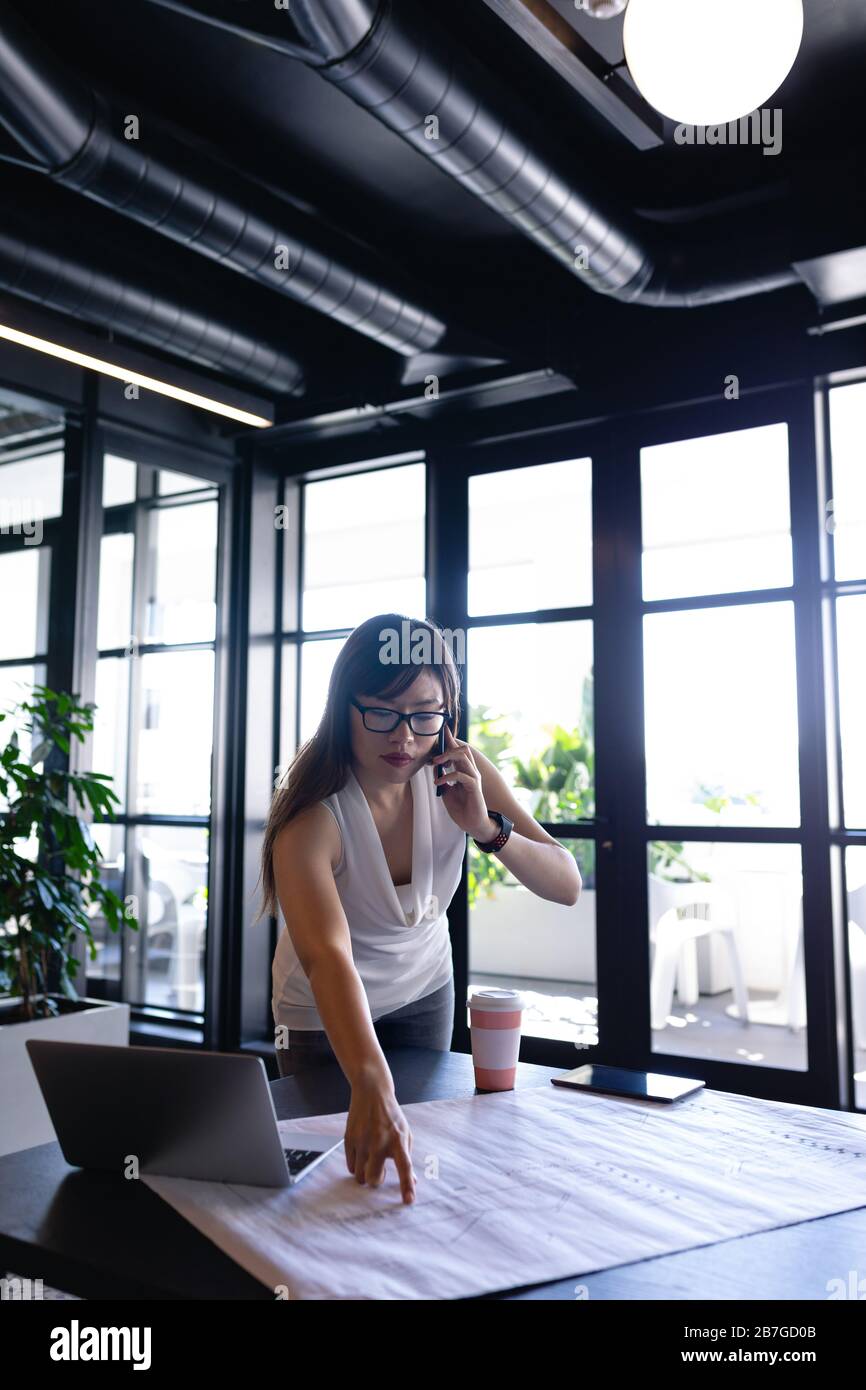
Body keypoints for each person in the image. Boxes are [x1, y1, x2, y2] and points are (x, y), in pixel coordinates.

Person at [255, 613, 581, 1204]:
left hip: (427, 991)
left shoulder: (463, 775)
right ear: (344, 708)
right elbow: (329, 959)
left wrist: (484, 826)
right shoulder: (312, 823)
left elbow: (566, 884)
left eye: (424, 714)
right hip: (321, 1019)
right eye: (381, 711)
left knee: (422, 1153)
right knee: (335, 1175)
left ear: (447, 714)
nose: (404, 737)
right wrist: (370, 1078)